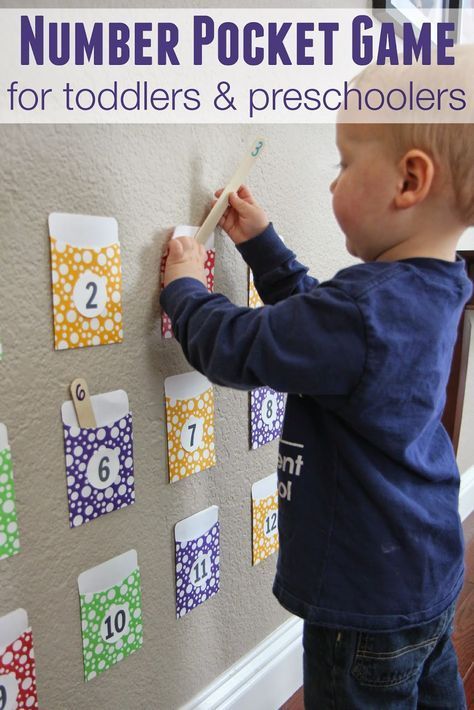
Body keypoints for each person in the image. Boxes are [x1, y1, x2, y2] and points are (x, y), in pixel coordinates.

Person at [160, 114, 473, 708]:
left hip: (363, 602)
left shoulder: (361, 310)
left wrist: (184, 291)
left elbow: (241, 346)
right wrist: (262, 245)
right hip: (426, 569)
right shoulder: (433, 288)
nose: (333, 183)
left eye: (346, 164)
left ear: (409, 181)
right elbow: (321, 335)